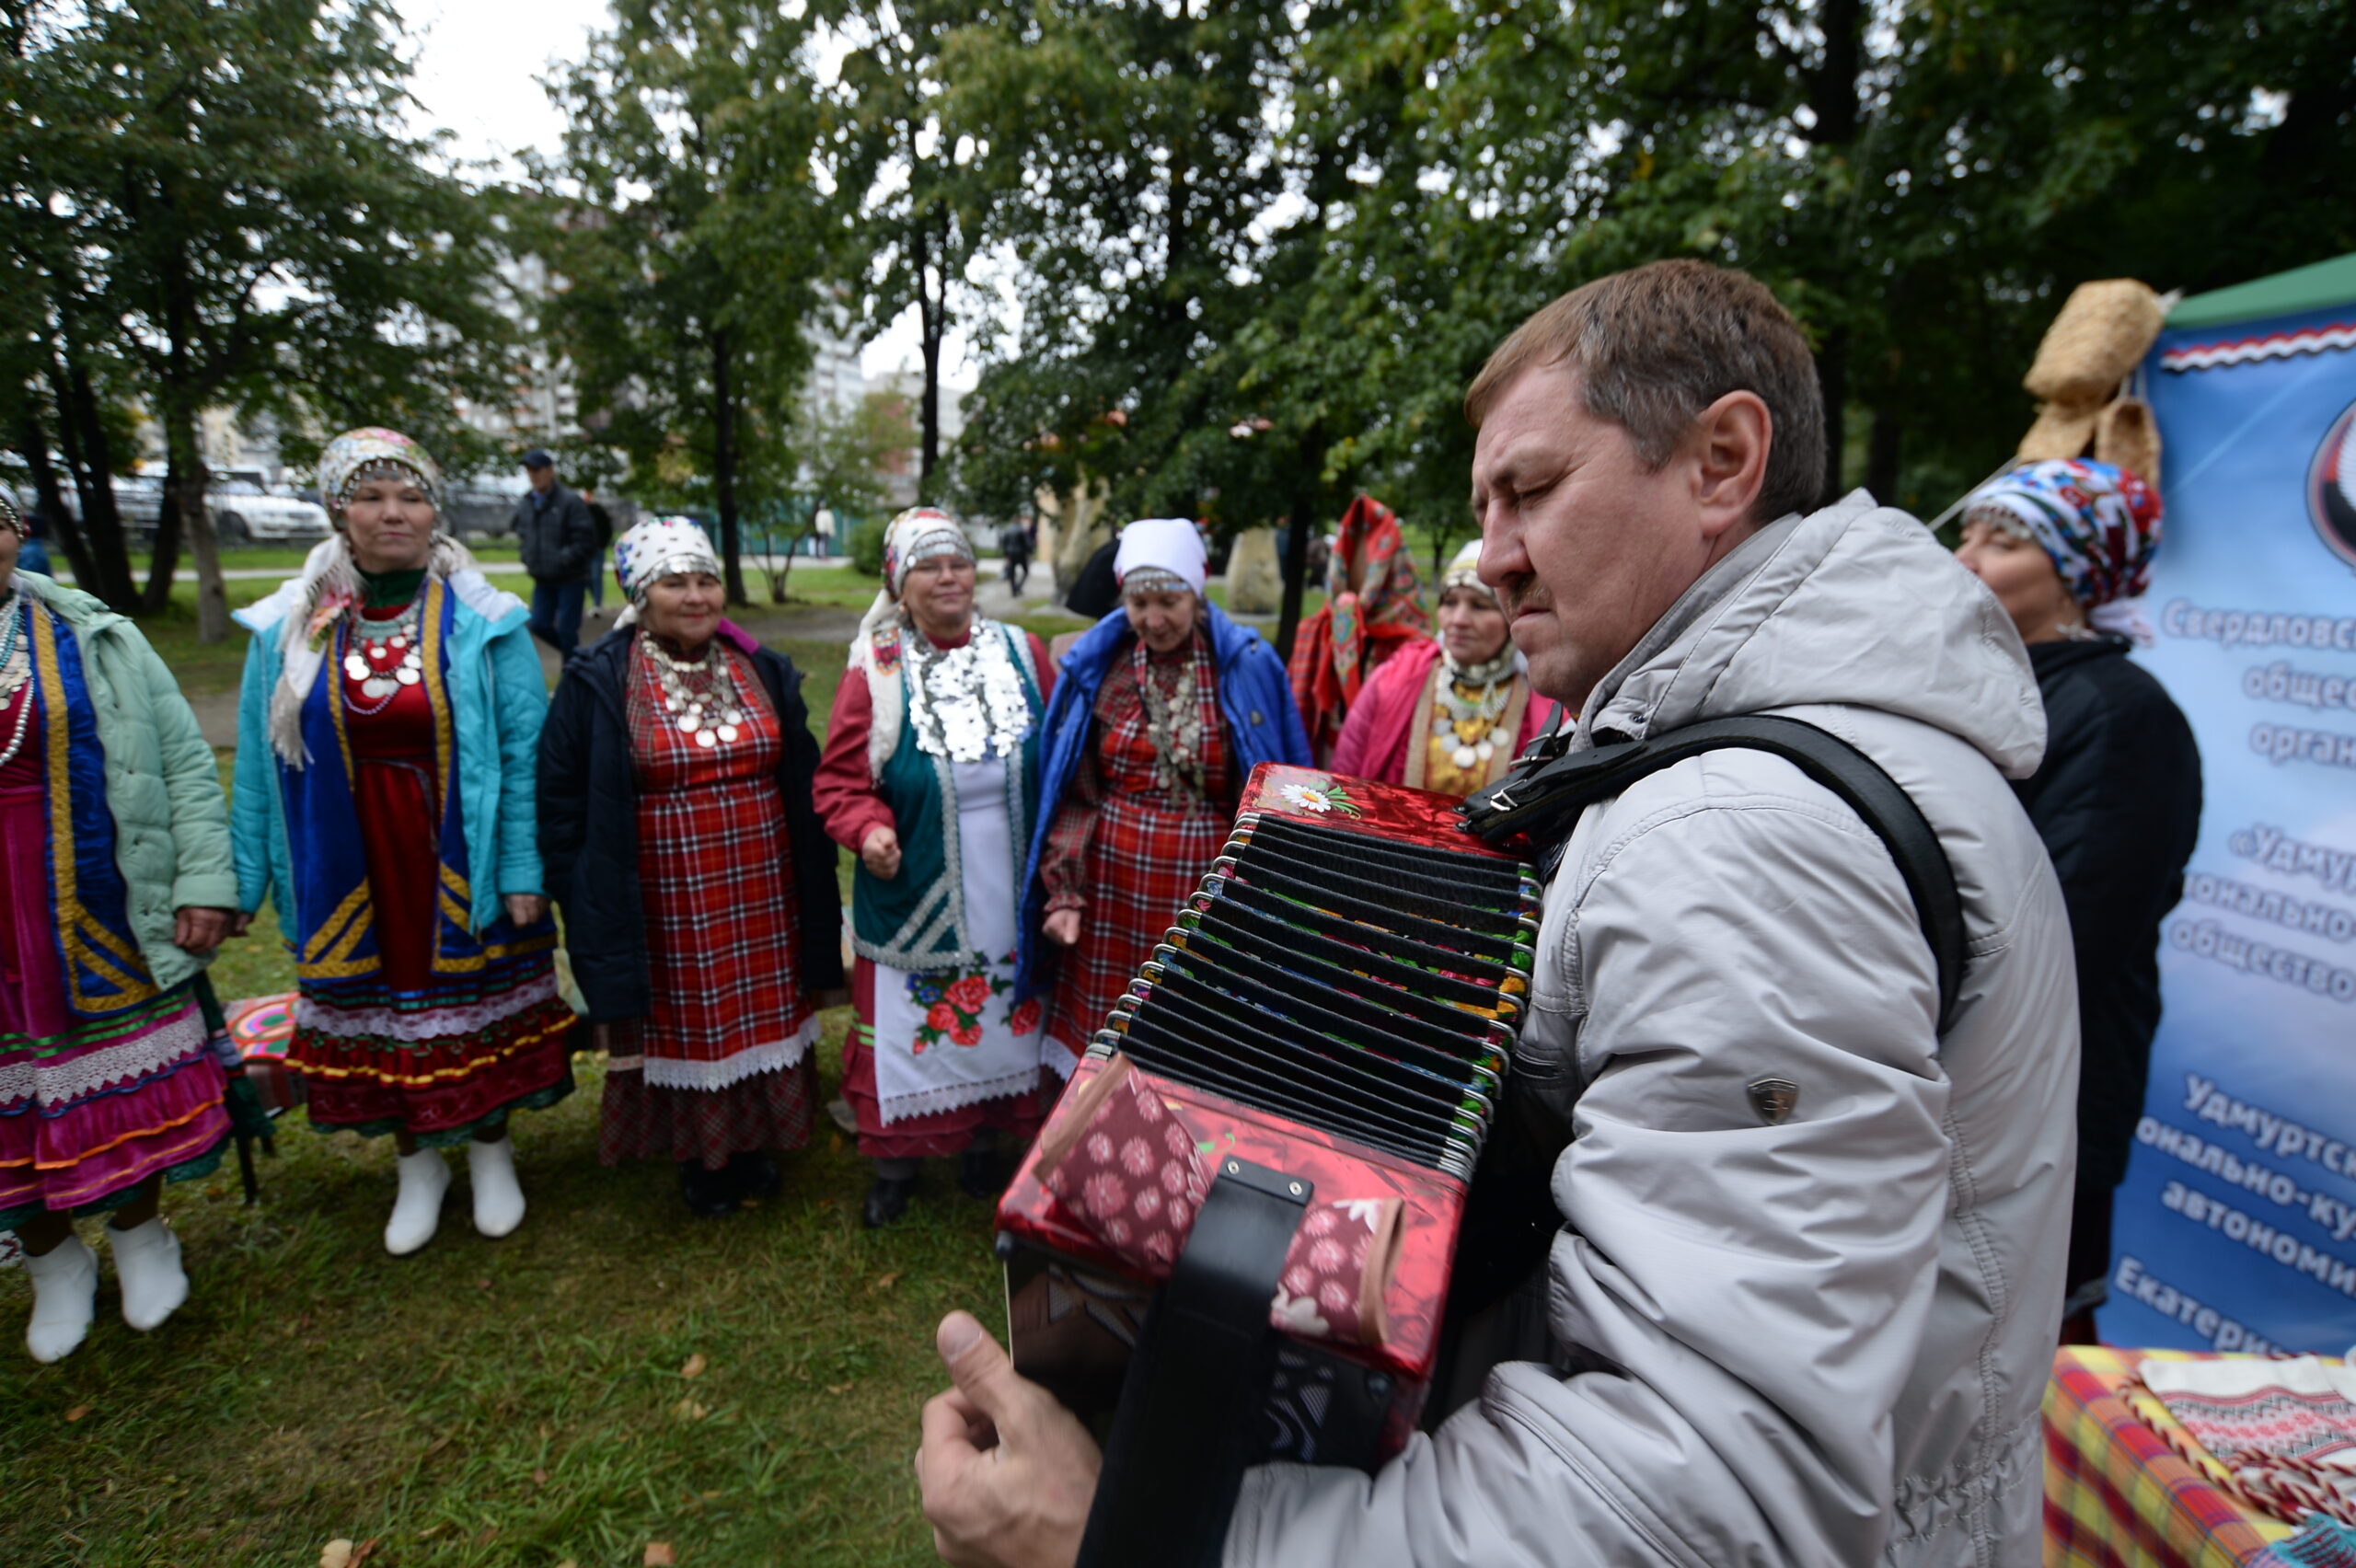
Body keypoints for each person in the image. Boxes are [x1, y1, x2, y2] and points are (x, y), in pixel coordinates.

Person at [916, 259, 2079, 1567]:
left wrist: (1141, 1538)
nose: (1495, 557)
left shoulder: (1746, 837)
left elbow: (1715, 1498)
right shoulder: (1752, 765)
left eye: (1531, 490)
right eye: (1482, 509)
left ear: (1723, 460)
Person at [233, 428, 576, 1256]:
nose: (395, 514)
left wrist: (525, 866)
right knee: (384, 1008)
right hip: (352, 853)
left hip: (461, 850)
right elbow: (256, 762)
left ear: (435, 512)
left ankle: (492, 1151)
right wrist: (243, 883)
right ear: (338, 513)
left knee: (475, 1000)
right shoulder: (288, 626)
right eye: (372, 497)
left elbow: (524, 754)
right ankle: (416, 1163)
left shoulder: (485, 620)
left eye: (412, 497)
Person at [1955, 457, 2200, 1341]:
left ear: (2079, 570)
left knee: (2021, 1351)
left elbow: (2064, 934)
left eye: (2004, 541)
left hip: (2041, 1107)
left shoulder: (2123, 714)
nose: (1966, 557)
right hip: (1958, 1090)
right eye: (1969, 533)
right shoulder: (1990, 693)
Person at [538, 518, 844, 1216]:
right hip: (664, 893)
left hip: (764, 882)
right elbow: (559, 795)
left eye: (705, 580)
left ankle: (758, 1140)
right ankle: (702, 1156)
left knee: (760, 1010)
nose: (696, 596)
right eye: (675, 582)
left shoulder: (759, 666)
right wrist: (573, 883)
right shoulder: (598, 678)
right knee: (691, 1018)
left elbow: (800, 766)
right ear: (641, 595)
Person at [0, 494, 240, 1361]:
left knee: (115, 1077)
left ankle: (142, 1236)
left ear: (15, 531)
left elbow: (179, 755)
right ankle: (51, 1264)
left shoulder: (91, 632)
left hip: (94, 902)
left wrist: (206, 879)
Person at [813, 507, 1062, 1228]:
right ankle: (897, 1166)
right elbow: (838, 782)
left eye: (957, 562)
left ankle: (986, 1145)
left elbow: (1063, 755)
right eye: (928, 565)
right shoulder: (878, 665)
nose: (948, 577)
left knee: (1003, 1019)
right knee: (913, 1030)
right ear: (900, 581)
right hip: (920, 883)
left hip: (1010, 884)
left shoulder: (1023, 652)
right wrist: (868, 830)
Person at [1020, 517, 1311, 1068]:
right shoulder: (1099, 668)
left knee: (1188, 1028)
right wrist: (1064, 892)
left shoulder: (1246, 665)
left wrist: (1264, 896)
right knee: (1106, 1030)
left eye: (1168, 601)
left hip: (1204, 886)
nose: (1153, 620)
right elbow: (1075, 793)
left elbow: (1284, 785)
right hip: (1111, 885)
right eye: (1138, 603)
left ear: (1196, 592)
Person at [1328, 537, 1561, 793]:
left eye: (1479, 606)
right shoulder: (1395, 678)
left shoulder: (1546, 701)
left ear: (1510, 617)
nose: (1458, 620)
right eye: (1450, 603)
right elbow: (1345, 778)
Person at [1285, 495, 1430, 763]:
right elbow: (1294, 714)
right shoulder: (1315, 629)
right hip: (1318, 771)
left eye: (1373, 553)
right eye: (1353, 550)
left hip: (1376, 768)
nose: (1361, 565)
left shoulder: (1413, 647)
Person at [514, 448, 598, 655]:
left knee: (567, 630)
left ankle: (571, 675)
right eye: (529, 470)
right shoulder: (527, 502)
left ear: (550, 471)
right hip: (543, 578)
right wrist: (528, 558)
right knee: (539, 625)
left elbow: (586, 539)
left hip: (570, 577)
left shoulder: (570, 501)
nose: (533, 475)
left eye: (538, 469)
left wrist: (563, 559)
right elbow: (523, 534)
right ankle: (580, 659)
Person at [1000, 518, 1034, 598]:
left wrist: (1006, 553)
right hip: (1021, 554)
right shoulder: (1021, 530)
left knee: (1012, 573)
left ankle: (1014, 591)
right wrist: (1030, 551)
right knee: (1026, 571)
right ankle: (1018, 586)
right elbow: (1027, 543)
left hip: (1011, 554)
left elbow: (1004, 543)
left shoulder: (1007, 530)